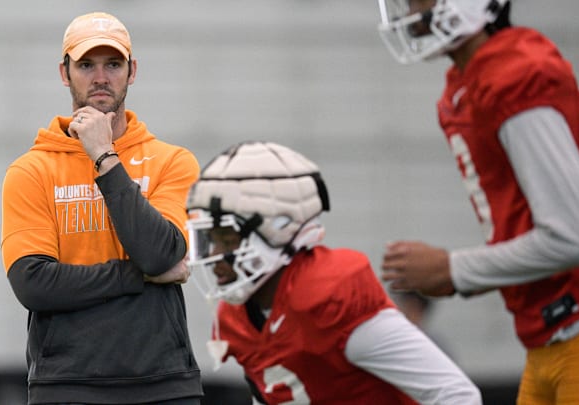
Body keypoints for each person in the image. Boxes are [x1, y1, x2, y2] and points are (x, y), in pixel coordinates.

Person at [376, 1, 579, 403]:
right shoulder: (468, 82)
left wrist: (453, 270)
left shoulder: (514, 73)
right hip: (548, 337)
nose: (409, 8)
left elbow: (573, 239)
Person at [0, 12, 203, 404]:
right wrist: (139, 276)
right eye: (86, 65)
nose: (100, 77)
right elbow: (34, 284)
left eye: (113, 64)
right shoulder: (32, 170)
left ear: (132, 71)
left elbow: (160, 254)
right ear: (65, 72)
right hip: (67, 386)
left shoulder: (173, 161)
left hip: (164, 385)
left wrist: (104, 157)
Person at [185, 141, 482, 404]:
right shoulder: (235, 317)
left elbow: (456, 394)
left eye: (227, 239)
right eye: (211, 240)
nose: (214, 256)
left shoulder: (330, 299)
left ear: (277, 229)